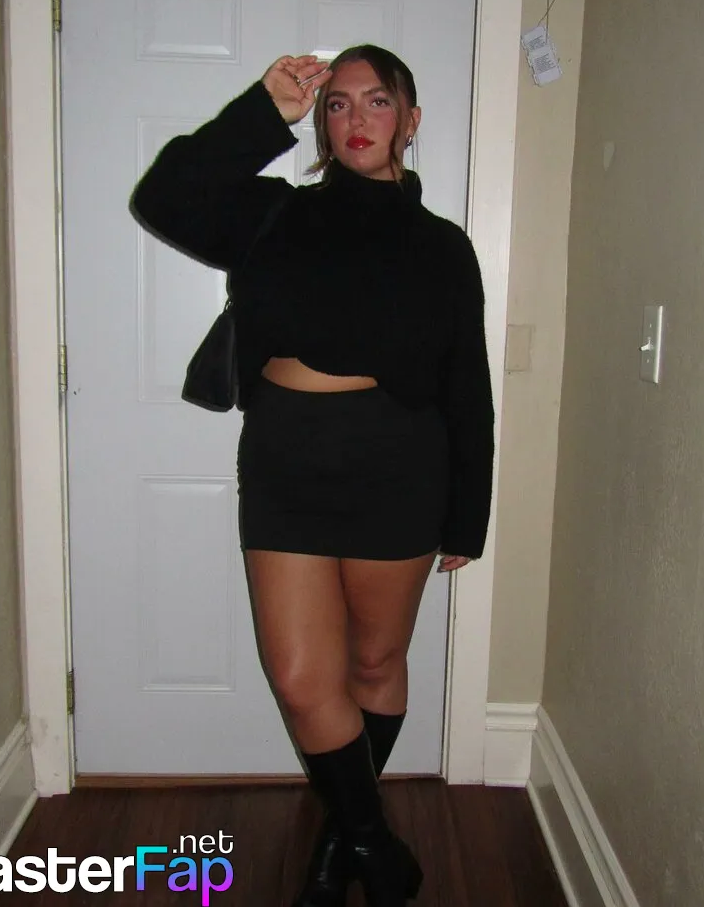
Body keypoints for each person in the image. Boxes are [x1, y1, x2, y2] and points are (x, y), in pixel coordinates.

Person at [131, 45, 494, 907]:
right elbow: (163, 196)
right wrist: (263, 111)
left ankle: (338, 847)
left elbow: (467, 389)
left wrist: (466, 519)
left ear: (411, 119)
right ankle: (375, 844)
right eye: (338, 104)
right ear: (322, 124)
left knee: (374, 660)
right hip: (286, 461)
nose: (356, 118)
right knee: (300, 677)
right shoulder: (273, 215)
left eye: (377, 101)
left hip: (399, 466)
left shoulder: (443, 247)